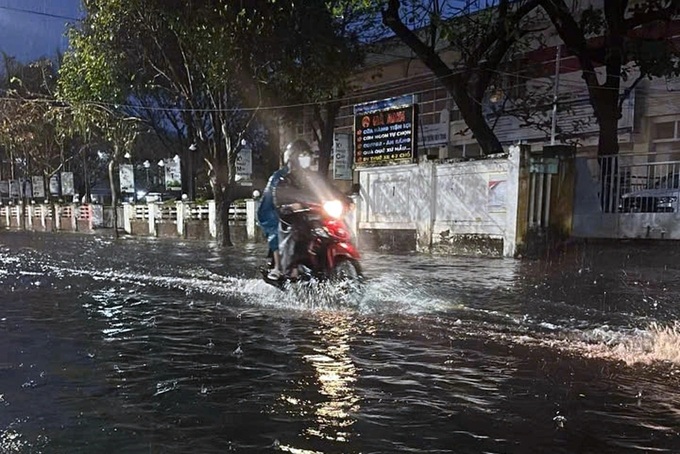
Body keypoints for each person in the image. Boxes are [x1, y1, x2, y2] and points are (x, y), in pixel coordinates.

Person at [274, 139, 349, 279]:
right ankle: (291, 269)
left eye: (307, 154)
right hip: (296, 218)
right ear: (294, 158)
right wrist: (290, 206)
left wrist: (346, 199)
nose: (306, 158)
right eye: (302, 155)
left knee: (339, 227)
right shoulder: (286, 180)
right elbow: (279, 199)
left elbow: (330, 189)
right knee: (297, 234)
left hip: (318, 216)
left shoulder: (314, 178)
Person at [257, 153, 290, 281]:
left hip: (292, 209)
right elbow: (275, 195)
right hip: (270, 210)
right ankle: (278, 267)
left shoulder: (306, 176)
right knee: (277, 229)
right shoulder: (279, 176)